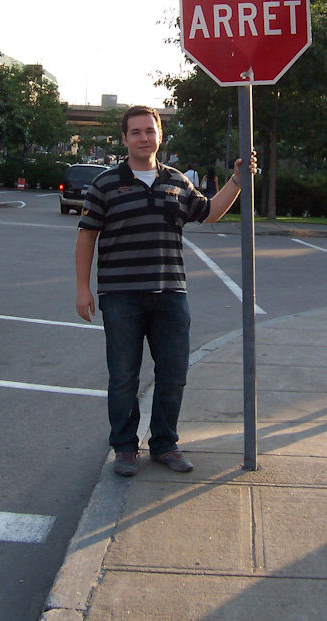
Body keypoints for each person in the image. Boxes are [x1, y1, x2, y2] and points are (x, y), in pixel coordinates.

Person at [75, 105, 257, 477]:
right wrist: (83, 288)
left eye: (150, 131)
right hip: (121, 294)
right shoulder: (105, 184)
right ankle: (125, 447)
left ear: (160, 136)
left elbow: (208, 213)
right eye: (136, 132)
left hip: (171, 293)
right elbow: (86, 236)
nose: (144, 138)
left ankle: (164, 444)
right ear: (125, 139)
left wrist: (236, 181)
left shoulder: (176, 180)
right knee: (123, 375)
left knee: (173, 372)